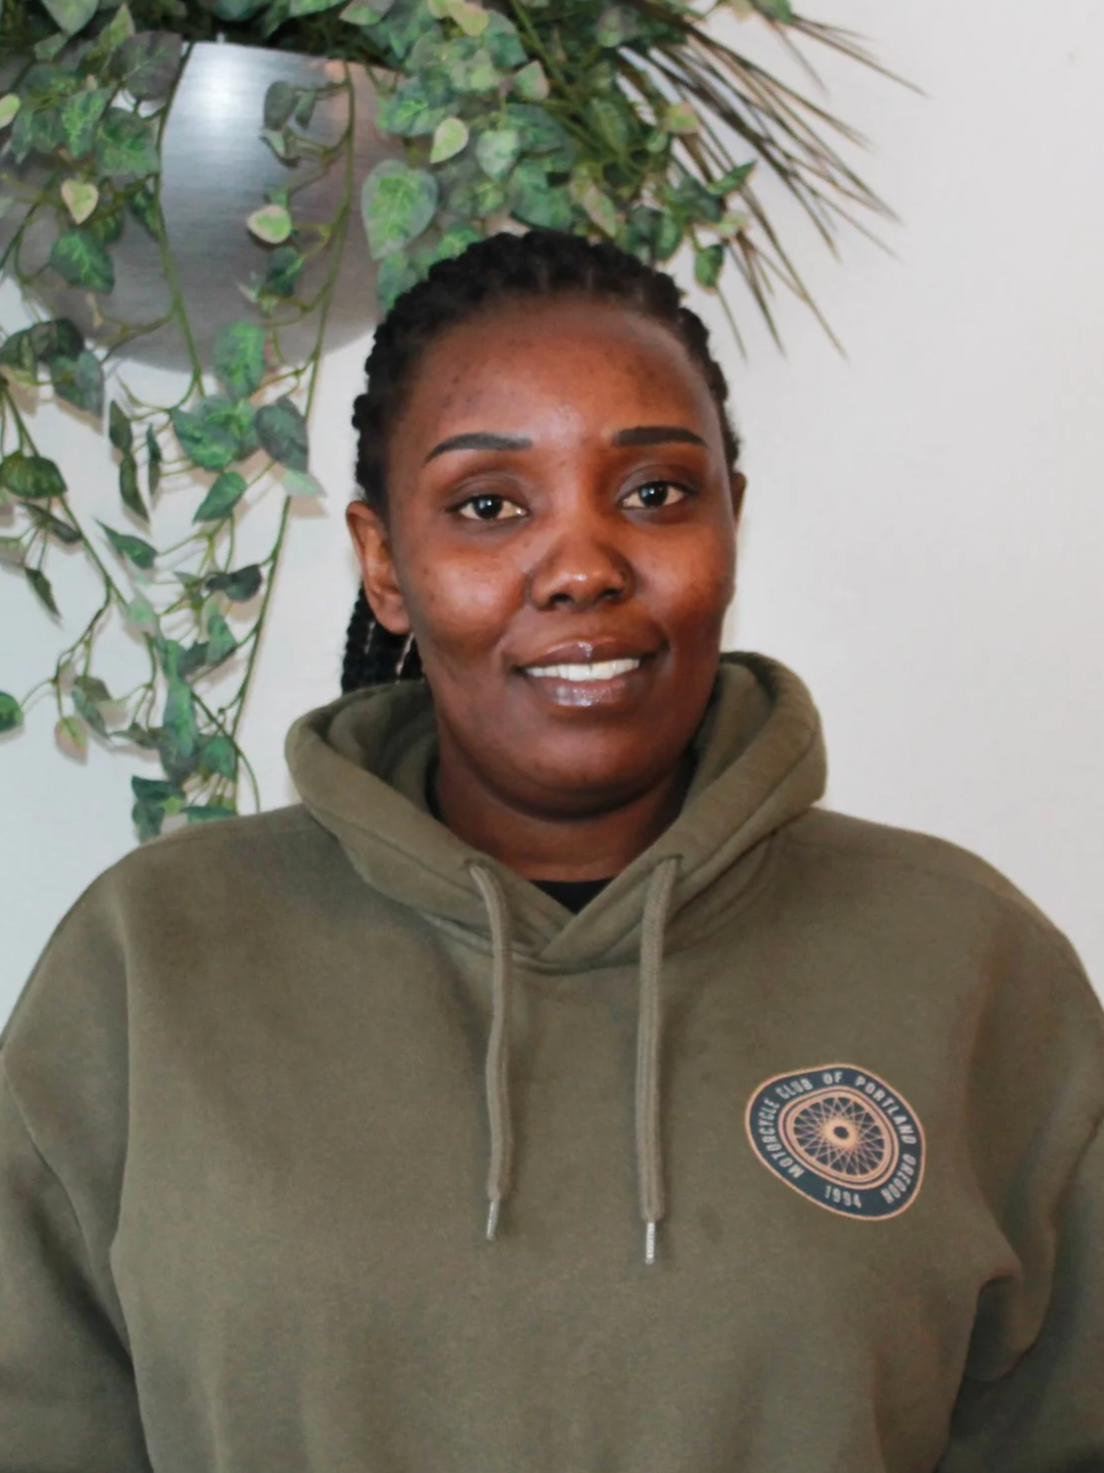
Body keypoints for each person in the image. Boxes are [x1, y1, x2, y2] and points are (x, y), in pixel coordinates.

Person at [0, 228, 1101, 1473]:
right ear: (385, 564)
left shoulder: (969, 964)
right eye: (489, 506)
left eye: (654, 494)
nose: (582, 567)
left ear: (733, 523)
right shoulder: (154, 964)